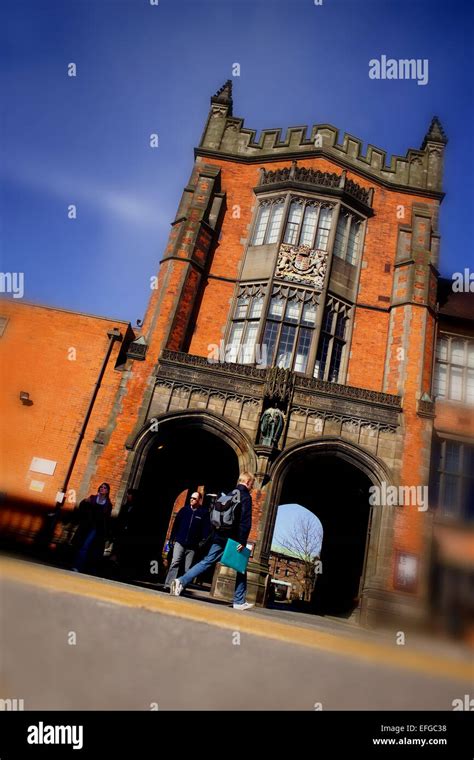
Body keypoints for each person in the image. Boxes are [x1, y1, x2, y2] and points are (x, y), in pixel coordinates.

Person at [170, 472, 255, 610]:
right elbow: (245, 522)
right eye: (252, 484)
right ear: (249, 482)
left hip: (219, 536)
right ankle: (239, 601)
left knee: (206, 562)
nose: (252, 487)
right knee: (241, 566)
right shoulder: (245, 497)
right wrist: (242, 541)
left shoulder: (227, 494)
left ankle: (180, 581)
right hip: (233, 540)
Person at [164, 492, 211, 590]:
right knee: (175, 562)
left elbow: (207, 530)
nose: (191, 500)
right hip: (180, 541)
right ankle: (168, 584)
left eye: (194, 498)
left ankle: (181, 587)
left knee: (187, 568)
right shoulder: (184, 510)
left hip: (193, 545)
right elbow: (175, 525)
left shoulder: (204, 513)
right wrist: (172, 538)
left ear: (199, 500)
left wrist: (201, 543)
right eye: (191, 498)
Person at [70, 483, 113, 573]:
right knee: (83, 545)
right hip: (87, 525)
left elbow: (107, 518)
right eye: (101, 487)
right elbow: (82, 507)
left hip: (97, 528)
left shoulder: (108, 504)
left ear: (107, 491)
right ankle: (77, 566)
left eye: (104, 488)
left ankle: (85, 567)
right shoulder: (93, 498)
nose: (102, 489)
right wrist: (85, 501)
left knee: (90, 547)